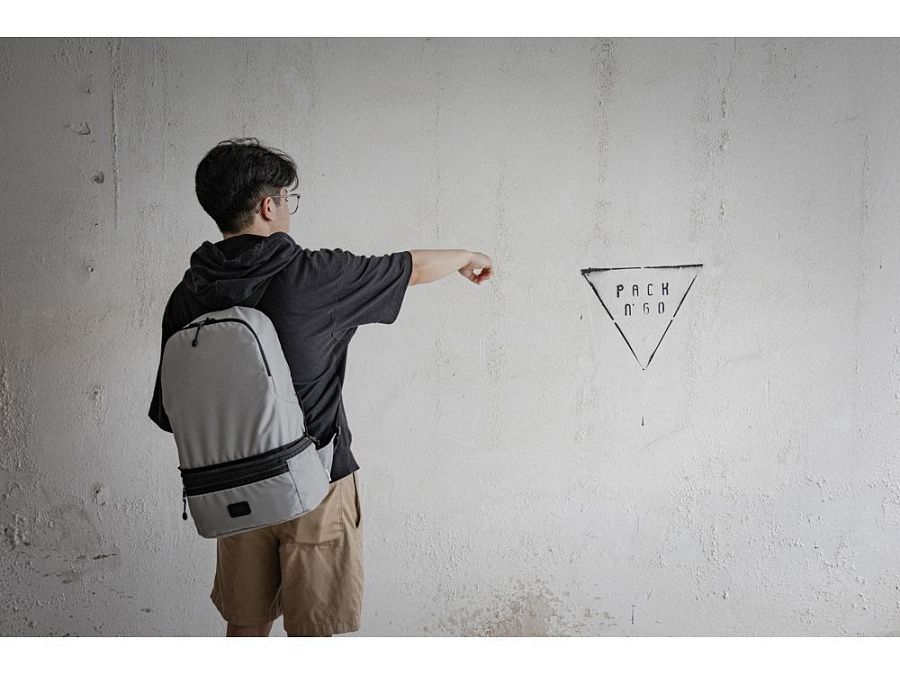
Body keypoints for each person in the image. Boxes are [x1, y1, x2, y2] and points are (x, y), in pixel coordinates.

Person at [148, 137, 493, 637]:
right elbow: (410, 268)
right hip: (316, 484)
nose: (288, 208)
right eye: (287, 199)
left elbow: (171, 412)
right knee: (314, 635)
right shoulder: (312, 275)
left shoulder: (188, 293)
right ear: (268, 207)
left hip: (234, 491)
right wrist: (468, 255)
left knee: (245, 628)